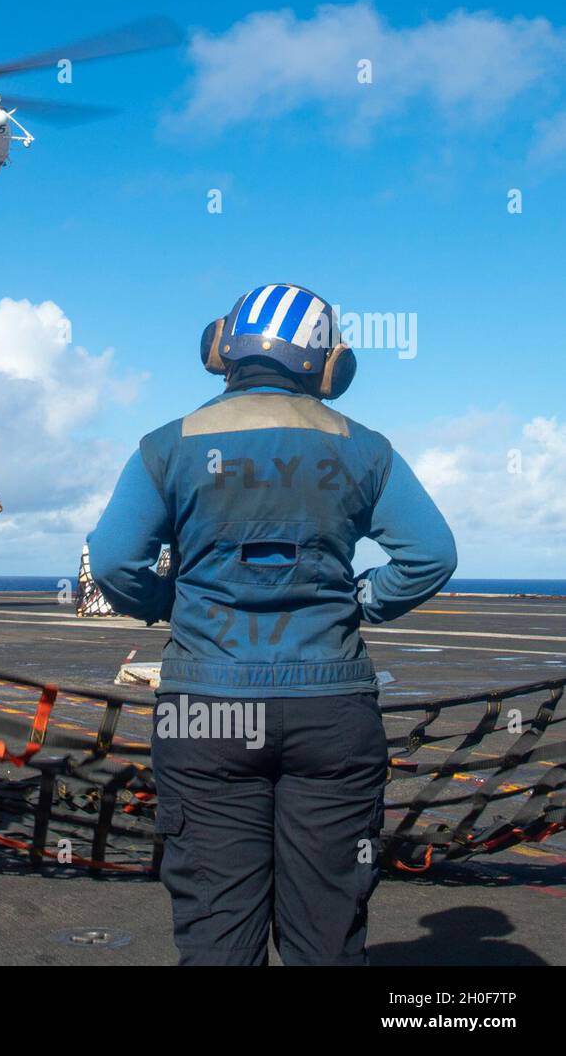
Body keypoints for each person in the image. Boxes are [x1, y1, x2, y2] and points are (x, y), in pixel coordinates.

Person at [87, 284, 457, 966]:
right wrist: (363, 603)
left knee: (217, 933)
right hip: (331, 711)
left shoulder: (168, 446)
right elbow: (431, 555)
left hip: (205, 714)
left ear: (223, 348)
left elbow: (112, 560)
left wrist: (170, 603)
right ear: (326, 367)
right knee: (327, 935)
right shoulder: (365, 448)